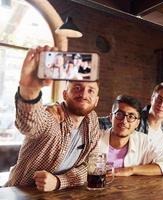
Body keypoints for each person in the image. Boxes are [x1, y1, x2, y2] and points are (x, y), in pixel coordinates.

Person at [5, 45, 102, 191]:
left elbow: (91, 165)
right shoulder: (53, 116)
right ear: (64, 94)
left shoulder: (92, 120)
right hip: (20, 192)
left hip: (61, 194)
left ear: (96, 101)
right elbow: (30, 124)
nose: (83, 94)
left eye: (91, 90)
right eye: (77, 87)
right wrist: (30, 91)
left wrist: (59, 181)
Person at [99, 95, 163, 176]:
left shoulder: (144, 141)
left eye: (131, 117)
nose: (124, 121)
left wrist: (131, 170)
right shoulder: (95, 139)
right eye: (119, 114)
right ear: (111, 117)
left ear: (137, 123)